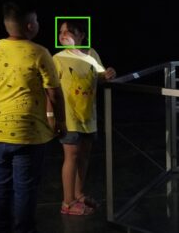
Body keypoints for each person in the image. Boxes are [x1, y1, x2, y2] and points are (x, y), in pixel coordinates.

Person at [0, 1, 65, 233]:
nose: (38, 23)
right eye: (36, 20)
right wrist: (60, 121)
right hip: (28, 133)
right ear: (29, 26)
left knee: (0, 183)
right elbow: (54, 93)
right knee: (25, 187)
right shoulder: (39, 52)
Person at [52, 18, 116, 216]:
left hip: (88, 117)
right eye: (61, 32)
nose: (63, 35)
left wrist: (109, 74)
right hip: (69, 118)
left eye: (68, 31)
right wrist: (53, 117)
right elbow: (51, 89)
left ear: (81, 35)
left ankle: (78, 194)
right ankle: (67, 202)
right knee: (71, 156)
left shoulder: (92, 54)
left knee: (84, 156)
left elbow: (100, 77)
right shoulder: (58, 59)